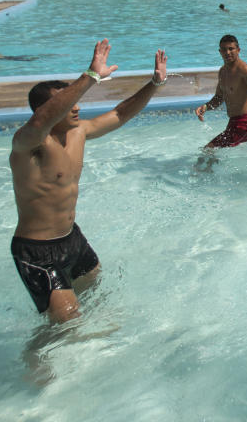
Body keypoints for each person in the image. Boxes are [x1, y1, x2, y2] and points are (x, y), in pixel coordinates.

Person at [9, 40, 167, 322]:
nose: (77, 107)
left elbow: (121, 113)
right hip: (37, 251)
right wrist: (90, 76)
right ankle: (38, 364)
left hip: (72, 239)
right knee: (65, 323)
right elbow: (38, 122)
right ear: (47, 111)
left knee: (97, 296)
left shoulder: (78, 132)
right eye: (69, 103)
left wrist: (153, 84)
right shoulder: (29, 144)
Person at [195, 35, 247, 151]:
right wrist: (205, 107)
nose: (228, 52)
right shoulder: (222, 72)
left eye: (231, 49)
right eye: (224, 49)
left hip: (246, 123)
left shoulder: (243, 70)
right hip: (233, 122)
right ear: (220, 52)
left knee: (209, 149)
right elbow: (219, 97)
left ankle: (203, 170)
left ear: (238, 50)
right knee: (214, 151)